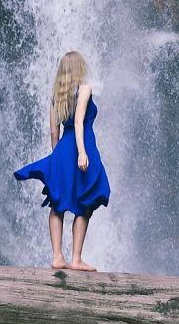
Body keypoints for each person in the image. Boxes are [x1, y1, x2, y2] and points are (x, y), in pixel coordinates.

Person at [14, 50, 110, 271]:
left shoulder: (56, 95)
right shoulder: (84, 89)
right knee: (86, 201)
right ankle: (76, 259)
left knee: (58, 205)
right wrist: (82, 153)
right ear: (79, 68)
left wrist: (57, 160)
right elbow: (78, 122)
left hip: (62, 151)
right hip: (81, 147)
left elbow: (53, 132)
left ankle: (57, 257)